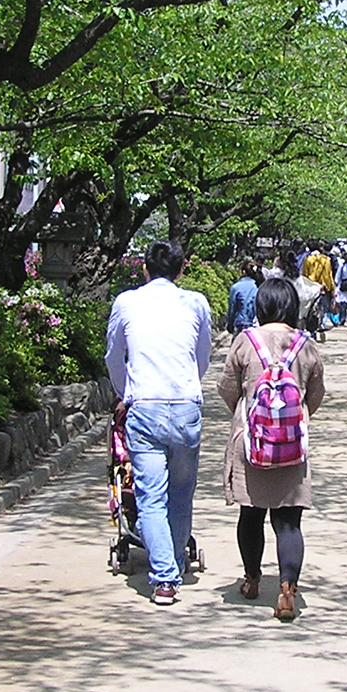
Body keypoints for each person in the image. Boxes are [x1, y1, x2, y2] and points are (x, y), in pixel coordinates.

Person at [105, 240, 213, 606]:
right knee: (180, 494)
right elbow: (202, 355)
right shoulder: (195, 302)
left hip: (144, 408)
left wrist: (126, 392)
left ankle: (164, 580)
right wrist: (186, 383)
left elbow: (113, 356)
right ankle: (176, 564)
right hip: (185, 406)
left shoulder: (126, 302)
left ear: (144, 269)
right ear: (182, 269)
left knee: (151, 497)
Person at [217, 276, 324, 620]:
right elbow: (317, 394)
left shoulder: (245, 341)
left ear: (260, 306)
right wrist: (297, 416)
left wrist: (244, 411)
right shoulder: (305, 345)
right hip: (291, 444)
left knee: (250, 514)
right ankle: (288, 590)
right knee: (289, 522)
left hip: (252, 442)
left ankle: (251, 580)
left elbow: (227, 387)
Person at [227, 261, 260, 334]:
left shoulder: (236, 287)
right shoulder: (258, 286)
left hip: (240, 323)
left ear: (243, 272)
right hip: (256, 325)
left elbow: (232, 307)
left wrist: (230, 324)